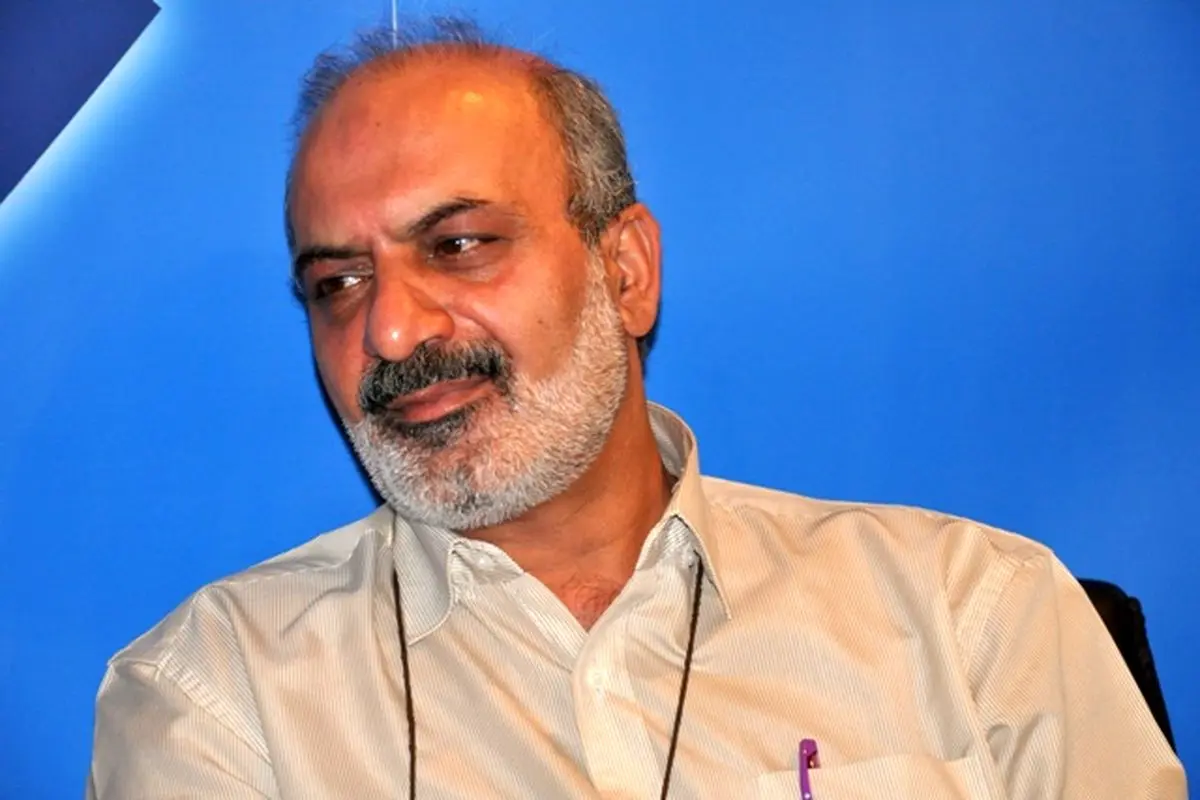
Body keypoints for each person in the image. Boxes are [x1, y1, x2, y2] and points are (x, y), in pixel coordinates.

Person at [88, 18, 1186, 799]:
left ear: (625, 272)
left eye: (458, 245)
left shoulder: (978, 617)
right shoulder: (217, 698)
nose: (389, 330)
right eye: (338, 282)